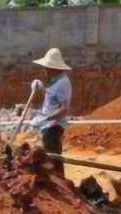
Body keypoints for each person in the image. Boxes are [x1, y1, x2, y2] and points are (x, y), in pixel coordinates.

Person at [29, 48, 72, 176]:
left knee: (53, 158)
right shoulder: (56, 82)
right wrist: (41, 89)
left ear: (54, 68)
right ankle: (60, 183)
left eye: (47, 67)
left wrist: (45, 118)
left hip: (54, 127)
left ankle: (59, 185)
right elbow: (52, 100)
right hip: (49, 126)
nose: (45, 70)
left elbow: (64, 109)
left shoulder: (63, 83)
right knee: (53, 157)